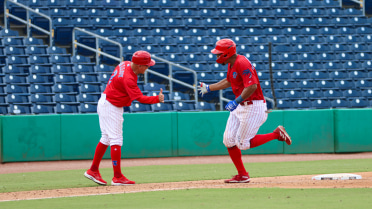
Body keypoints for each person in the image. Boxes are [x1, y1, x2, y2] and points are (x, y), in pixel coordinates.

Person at [198, 39, 292, 183]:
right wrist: (209, 87)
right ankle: (242, 175)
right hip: (242, 105)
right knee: (228, 140)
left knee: (243, 144)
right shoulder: (232, 63)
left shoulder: (242, 63)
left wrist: (236, 101)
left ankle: (276, 134)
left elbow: (252, 86)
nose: (217, 57)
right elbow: (229, 81)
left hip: (253, 106)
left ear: (227, 53)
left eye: (219, 54)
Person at [84, 51, 164, 186]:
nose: (148, 67)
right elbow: (140, 99)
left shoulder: (125, 63)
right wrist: (157, 99)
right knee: (116, 139)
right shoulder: (128, 78)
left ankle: (93, 170)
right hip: (111, 105)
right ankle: (117, 177)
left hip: (107, 101)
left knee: (106, 138)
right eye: (146, 65)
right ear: (139, 65)